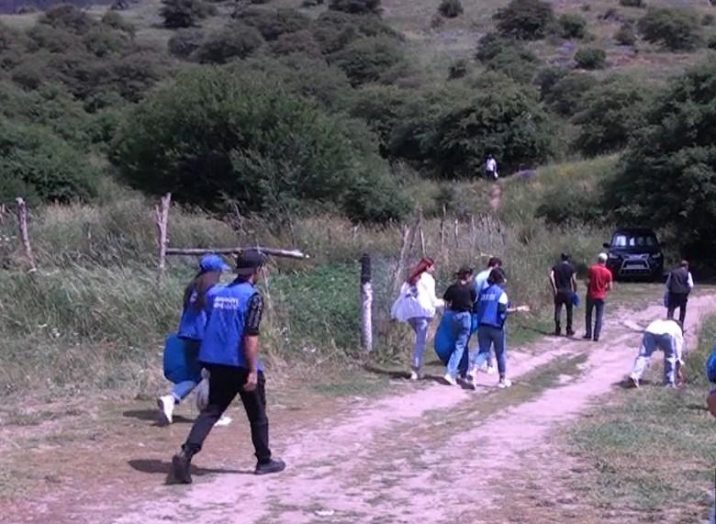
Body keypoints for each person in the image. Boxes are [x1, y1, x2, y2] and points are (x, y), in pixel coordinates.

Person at [171, 250, 285, 483]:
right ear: (258, 271)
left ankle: (187, 452)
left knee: (212, 411)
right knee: (258, 415)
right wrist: (252, 370)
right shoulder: (252, 297)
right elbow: (250, 336)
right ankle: (264, 460)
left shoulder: (217, 294)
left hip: (216, 362)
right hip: (241, 364)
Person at [157, 254, 232, 426]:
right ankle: (211, 415)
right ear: (212, 272)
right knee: (214, 375)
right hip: (202, 338)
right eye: (219, 271)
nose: (221, 274)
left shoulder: (192, 288)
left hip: (186, 335)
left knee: (195, 376)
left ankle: (171, 399)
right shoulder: (212, 291)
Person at [469, 269, 529, 389]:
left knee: (483, 351)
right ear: (500, 280)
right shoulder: (501, 294)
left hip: (482, 326)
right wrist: (518, 309)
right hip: (496, 326)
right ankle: (502, 379)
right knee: (500, 352)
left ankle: (473, 371)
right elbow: (503, 311)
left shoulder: (483, 293)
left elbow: (476, 308)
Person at [391, 257, 444, 380]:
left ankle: (417, 365)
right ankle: (415, 369)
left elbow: (402, 296)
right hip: (422, 313)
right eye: (432, 266)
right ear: (427, 267)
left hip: (409, 314)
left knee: (422, 338)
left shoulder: (410, 279)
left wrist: (395, 312)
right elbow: (432, 299)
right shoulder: (428, 279)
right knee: (420, 341)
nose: (434, 269)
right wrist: (443, 303)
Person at [437, 266, 477, 386]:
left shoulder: (452, 288)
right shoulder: (471, 288)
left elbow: (446, 301)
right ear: (468, 276)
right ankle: (451, 373)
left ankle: (462, 371)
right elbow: (474, 301)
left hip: (452, 317)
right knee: (461, 345)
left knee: (459, 345)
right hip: (465, 317)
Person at [628, 318, 684, 388]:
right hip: (667, 334)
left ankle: (634, 376)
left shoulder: (659, 321)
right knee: (670, 357)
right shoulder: (677, 329)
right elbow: (678, 352)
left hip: (650, 331)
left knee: (643, 355)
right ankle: (669, 382)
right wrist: (678, 370)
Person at [471, 257, 503, 374]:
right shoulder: (496, 277)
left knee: (484, 336)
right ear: (495, 265)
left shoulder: (479, 276)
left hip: (480, 307)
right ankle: (490, 363)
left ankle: (487, 361)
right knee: (496, 337)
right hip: (493, 307)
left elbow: (475, 294)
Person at [583, 253, 613, 342]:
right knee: (598, 317)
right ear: (605, 261)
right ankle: (596, 336)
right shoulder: (608, 272)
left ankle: (588, 334)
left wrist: (589, 286)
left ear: (598, 259)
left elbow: (586, 282)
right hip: (601, 296)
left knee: (588, 315)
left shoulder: (592, 269)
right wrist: (603, 289)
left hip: (591, 295)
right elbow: (610, 287)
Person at [550, 253, 577, 336]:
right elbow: (574, 280)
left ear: (561, 258)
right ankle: (569, 330)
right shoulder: (571, 268)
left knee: (558, 310)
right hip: (568, 291)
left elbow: (551, 276)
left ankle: (557, 329)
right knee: (569, 311)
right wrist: (575, 290)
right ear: (568, 258)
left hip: (559, 291)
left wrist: (554, 287)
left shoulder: (556, 267)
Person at [665, 260, 694, 325]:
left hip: (673, 293)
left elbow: (667, 284)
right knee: (682, 310)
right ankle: (680, 325)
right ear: (686, 266)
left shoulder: (673, 272)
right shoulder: (688, 273)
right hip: (683, 295)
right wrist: (687, 291)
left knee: (671, 310)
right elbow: (691, 285)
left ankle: (668, 325)